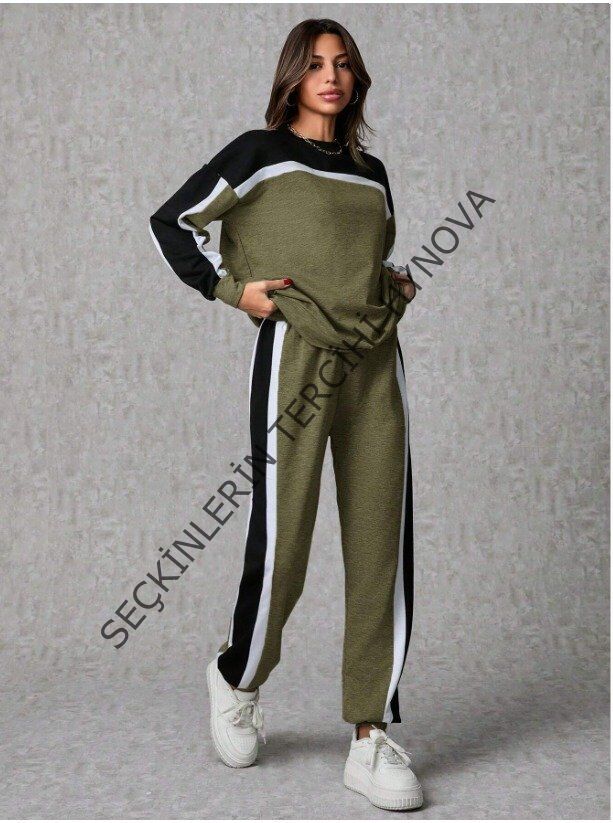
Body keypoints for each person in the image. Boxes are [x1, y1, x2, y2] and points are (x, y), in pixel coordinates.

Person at [149, 17, 423, 812]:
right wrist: (232, 290)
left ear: (355, 77)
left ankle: (370, 732)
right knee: (285, 541)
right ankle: (237, 676)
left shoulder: (372, 172)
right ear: (292, 78)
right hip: (295, 357)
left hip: (374, 364)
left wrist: (392, 285)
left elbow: (364, 258)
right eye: (314, 64)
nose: (330, 77)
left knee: (380, 542)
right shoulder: (258, 154)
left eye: (342, 64)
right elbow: (173, 221)